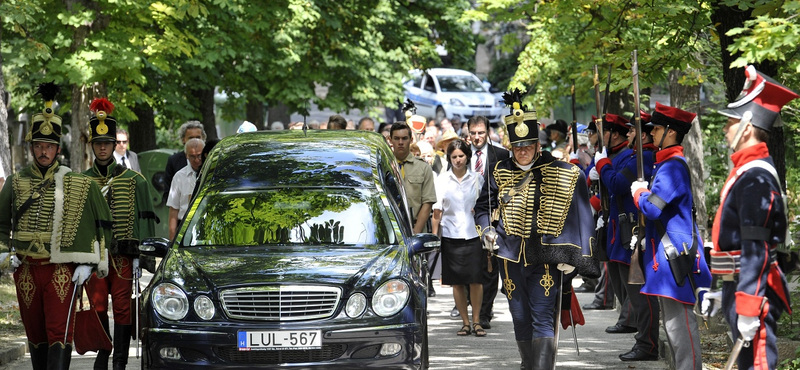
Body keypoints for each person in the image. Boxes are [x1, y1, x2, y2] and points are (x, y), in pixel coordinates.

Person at [474, 90, 598, 369]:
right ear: (510, 146)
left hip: (545, 258)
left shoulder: (561, 171)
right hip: (509, 255)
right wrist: (486, 231)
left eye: (528, 145)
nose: (522, 151)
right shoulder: (497, 171)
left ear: (537, 145)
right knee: (519, 316)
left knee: (542, 316)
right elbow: (483, 209)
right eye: (517, 146)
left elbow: (578, 213)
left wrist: (575, 257)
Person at [0, 82, 113, 370]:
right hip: (25, 269)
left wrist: (91, 261)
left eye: (49, 146)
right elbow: (1, 224)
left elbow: (102, 225)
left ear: (57, 149)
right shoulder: (15, 182)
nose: (43, 151)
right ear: (31, 147)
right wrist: (3, 253)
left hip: (60, 270)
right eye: (38, 145)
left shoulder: (77, 183)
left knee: (59, 333)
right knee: (35, 334)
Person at [707, 65, 796, 370]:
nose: (725, 129)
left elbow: (756, 250)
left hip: (752, 293)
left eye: (730, 122)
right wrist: (723, 291)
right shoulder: (746, 172)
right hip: (739, 288)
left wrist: (748, 304)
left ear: (746, 126)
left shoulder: (756, 177)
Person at [630, 102, 712, 370]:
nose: (652, 133)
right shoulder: (664, 164)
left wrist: (639, 193)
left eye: (657, 129)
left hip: (673, 257)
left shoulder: (673, 167)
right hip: (665, 256)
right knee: (673, 327)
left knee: (680, 327)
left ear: (671, 133)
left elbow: (653, 208)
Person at [82, 98, 157, 370]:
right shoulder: (81, 181)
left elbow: (145, 218)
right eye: (98, 143)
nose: (102, 147)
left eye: (107, 143)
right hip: (93, 259)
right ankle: (103, 354)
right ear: (93, 146)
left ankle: (120, 363)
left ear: (114, 145)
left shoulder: (134, 180)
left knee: (123, 309)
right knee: (98, 308)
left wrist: (143, 257)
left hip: (123, 258)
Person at [592, 112, 660, 361]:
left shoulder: (644, 158)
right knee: (630, 293)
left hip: (633, 233)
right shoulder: (634, 157)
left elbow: (618, 184)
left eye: (632, 131)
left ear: (641, 135)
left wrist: (602, 164)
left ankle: (648, 344)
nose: (628, 133)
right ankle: (643, 340)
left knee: (640, 294)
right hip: (621, 232)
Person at [587, 113, 638, 334]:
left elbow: (617, 185)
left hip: (625, 223)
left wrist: (603, 167)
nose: (598, 136)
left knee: (627, 276)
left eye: (603, 132)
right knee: (617, 275)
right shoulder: (608, 154)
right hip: (609, 220)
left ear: (614, 134)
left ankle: (630, 319)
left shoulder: (627, 156)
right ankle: (627, 318)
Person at [431, 139, 486, 337]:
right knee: (457, 282)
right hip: (450, 235)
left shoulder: (477, 179)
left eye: (461, 156)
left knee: (476, 280)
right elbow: (437, 211)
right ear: (449, 158)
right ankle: (465, 322)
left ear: (467, 156)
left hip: (473, 234)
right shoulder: (442, 180)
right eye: (453, 157)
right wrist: (435, 238)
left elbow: (484, 207)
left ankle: (477, 320)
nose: (457, 160)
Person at [465, 116, 510, 330]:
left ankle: (484, 311)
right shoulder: (461, 153)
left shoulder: (500, 154)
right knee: (469, 266)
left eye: (481, 132)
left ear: (488, 132)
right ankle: (470, 306)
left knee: (489, 267)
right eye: (473, 133)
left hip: (490, 216)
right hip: (464, 219)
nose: (477, 137)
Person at [390, 122, 436, 234]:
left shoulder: (423, 168)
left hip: (415, 226)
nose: (400, 142)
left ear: (411, 140)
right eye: (396, 138)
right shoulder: (384, 166)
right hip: (390, 229)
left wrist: (416, 231)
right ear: (390, 140)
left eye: (404, 138)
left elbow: (428, 202)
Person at [167, 138, 205, 240]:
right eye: (192, 157)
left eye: (199, 156)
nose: (197, 160)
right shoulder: (179, 177)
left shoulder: (211, 175)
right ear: (186, 155)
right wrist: (171, 241)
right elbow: (173, 211)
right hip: (184, 228)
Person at [164, 121, 205, 198]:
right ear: (183, 140)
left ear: (203, 138)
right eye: (191, 138)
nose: (194, 140)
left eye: (198, 137)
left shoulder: (210, 158)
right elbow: (167, 193)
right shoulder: (174, 161)